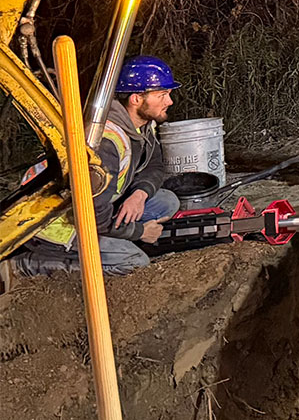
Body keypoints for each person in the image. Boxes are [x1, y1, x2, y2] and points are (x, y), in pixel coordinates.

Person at [8, 55, 183, 278]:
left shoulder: (142, 125)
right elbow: (93, 216)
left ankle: (115, 244)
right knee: (135, 263)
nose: (170, 101)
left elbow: (154, 164)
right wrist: (139, 232)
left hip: (97, 206)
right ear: (136, 99)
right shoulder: (105, 143)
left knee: (167, 202)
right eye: (162, 95)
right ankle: (25, 265)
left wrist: (139, 194)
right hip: (58, 223)